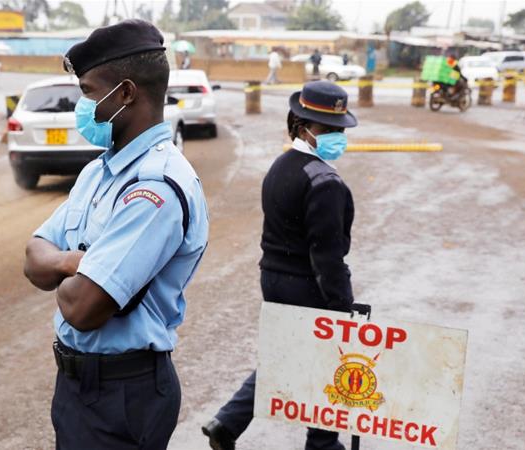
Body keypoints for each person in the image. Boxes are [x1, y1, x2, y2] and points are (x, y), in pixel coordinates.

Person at [23, 19, 209, 450]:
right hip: (78, 386)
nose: (81, 105)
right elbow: (33, 257)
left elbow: (82, 307)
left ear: (125, 93)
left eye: (88, 91)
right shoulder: (98, 172)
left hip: (123, 395)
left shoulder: (154, 188)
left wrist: (64, 269)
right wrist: (74, 261)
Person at [201, 80, 357, 450]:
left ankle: (228, 422)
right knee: (324, 359)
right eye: (329, 129)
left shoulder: (282, 166)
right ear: (302, 126)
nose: (337, 135)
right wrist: (342, 305)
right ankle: (322, 443)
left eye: (339, 129)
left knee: (287, 354)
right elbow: (327, 255)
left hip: (272, 278)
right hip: (307, 284)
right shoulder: (325, 181)